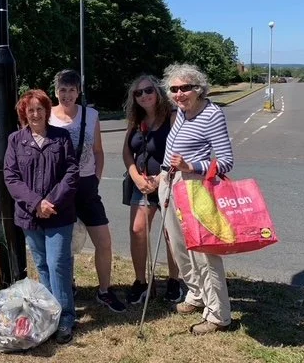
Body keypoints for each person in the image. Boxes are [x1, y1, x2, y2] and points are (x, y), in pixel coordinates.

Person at [158, 63, 234, 335]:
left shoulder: (212, 114)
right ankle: (196, 294)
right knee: (179, 246)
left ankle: (218, 314)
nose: (179, 94)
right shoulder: (182, 111)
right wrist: (164, 175)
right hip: (169, 182)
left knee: (203, 251)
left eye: (185, 88)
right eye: (174, 89)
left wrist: (192, 166)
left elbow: (225, 161)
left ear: (198, 89)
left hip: (196, 186)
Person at [4, 89, 79, 345]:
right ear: (24, 113)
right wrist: (36, 203)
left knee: (58, 262)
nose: (35, 114)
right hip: (30, 215)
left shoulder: (61, 137)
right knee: (43, 264)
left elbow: (71, 172)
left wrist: (50, 202)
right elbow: (11, 177)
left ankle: (67, 317)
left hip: (59, 214)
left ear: (47, 111)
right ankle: (50, 314)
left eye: (40, 109)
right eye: (30, 110)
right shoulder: (16, 140)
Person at [49, 69, 126, 313]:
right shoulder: (48, 115)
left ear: (79, 92)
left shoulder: (90, 115)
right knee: (64, 243)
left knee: (103, 241)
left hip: (86, 185)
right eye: (62, 89)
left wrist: (96, 177)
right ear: (56, 91)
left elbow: (98, 150)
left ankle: (104, 290)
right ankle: (67, 285)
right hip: (59, 187)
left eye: (72, 90)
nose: (67, 95)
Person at [122, 75, 182, 305]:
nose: (144, 96)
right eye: (138, 93)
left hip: (168, 181)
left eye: (148, 90)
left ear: (157, 92)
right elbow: (128, 152)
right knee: (137, 230)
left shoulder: (173, 116)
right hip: (142, 184)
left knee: (170, 234)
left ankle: (174, 281)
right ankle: (140, 281)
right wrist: (136, 177)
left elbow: (181, 151)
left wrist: (161, 178)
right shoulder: (135, 120)